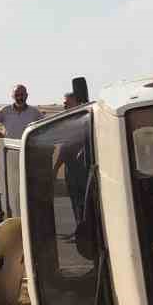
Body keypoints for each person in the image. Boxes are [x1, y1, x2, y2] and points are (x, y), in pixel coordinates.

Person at [56, 85, 92, 223]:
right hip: (71, 171)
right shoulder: (66, 122)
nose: (64, 106)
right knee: (75, 202)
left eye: (67, 103)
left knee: (86, 201)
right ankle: (79, 228)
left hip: (85, 170)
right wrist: (56, 168)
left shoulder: (88, 119)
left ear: (77, 103)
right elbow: (64, 149)